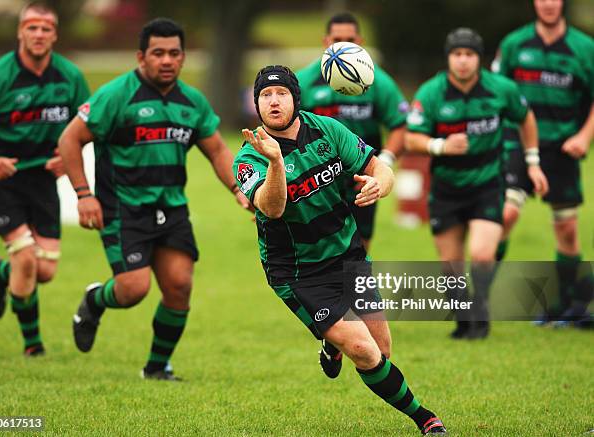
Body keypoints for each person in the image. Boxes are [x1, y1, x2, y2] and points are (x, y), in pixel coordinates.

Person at [233, 65, 446, 435]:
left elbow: (379, 167)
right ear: (256, 105)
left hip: (348, 254)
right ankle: (424, 418)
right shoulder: (249, 158)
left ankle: (332, 347)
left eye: (281, 93)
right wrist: (276, 163)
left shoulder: (327, 130)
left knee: (382, 351)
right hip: (298, 273)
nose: (273, 101)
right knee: (364, 351)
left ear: (295, 99)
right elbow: (272, 208)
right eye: (265, 96)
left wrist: (381, 185)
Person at [58, 18, 249, 380]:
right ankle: (94, 301)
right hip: (123, 208)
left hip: (171, 207)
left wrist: (240, 189)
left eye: (174, 53)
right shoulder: (115, 96)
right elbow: (69, 140)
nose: (166, 60)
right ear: (141, 57)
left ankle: (157, 367)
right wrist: (83, 195)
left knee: (179, 286)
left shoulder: (192, 102)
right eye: (158, 53)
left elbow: (218, 150)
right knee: (133, 289)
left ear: (183, 57)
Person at [405, 28, 548, 339]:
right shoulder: (431, 93)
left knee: (483, 254)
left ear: (479, 59)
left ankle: (480, 309)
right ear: (448, 59)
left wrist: (533, 162)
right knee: (450, 265)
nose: (463, 62)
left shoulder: (501, 88)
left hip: (487, 183)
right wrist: (441, 146)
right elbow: (411, 138)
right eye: (457, 55)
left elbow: (526, 118)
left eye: (469, 55)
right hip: (446, 188)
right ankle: (464, 318)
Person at [0, 2, 90, 356]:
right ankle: (33, 346)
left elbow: (88, 127)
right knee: (25, 258)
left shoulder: (70, 77)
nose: (39, 34)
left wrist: (66, 155)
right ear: (20, 32)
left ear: (55, 34)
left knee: (43, 271)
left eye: (46, 28)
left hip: (44, 182)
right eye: (32, 27)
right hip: (3, 181)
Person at [492, 0, 594, 325]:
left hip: (563, 149)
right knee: (506, 214)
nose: (548, 4)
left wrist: (584, 137)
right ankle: (478, 299)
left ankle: (568, 306)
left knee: (566, 228)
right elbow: (494, 92)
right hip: (517, 144)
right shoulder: (513, 44)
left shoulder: (584, 47)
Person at [296, 12, 409, 251]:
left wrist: (382, 165)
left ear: (360, 41)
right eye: (337, 39)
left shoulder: (377, 81)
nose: (343, 45)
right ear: (326, 41)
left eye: (349, 39)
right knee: (318, 249)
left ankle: (353, 288)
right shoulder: (304, 82)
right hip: (318, 177)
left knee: (360, 248)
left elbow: (400, 125)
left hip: (361, 177)